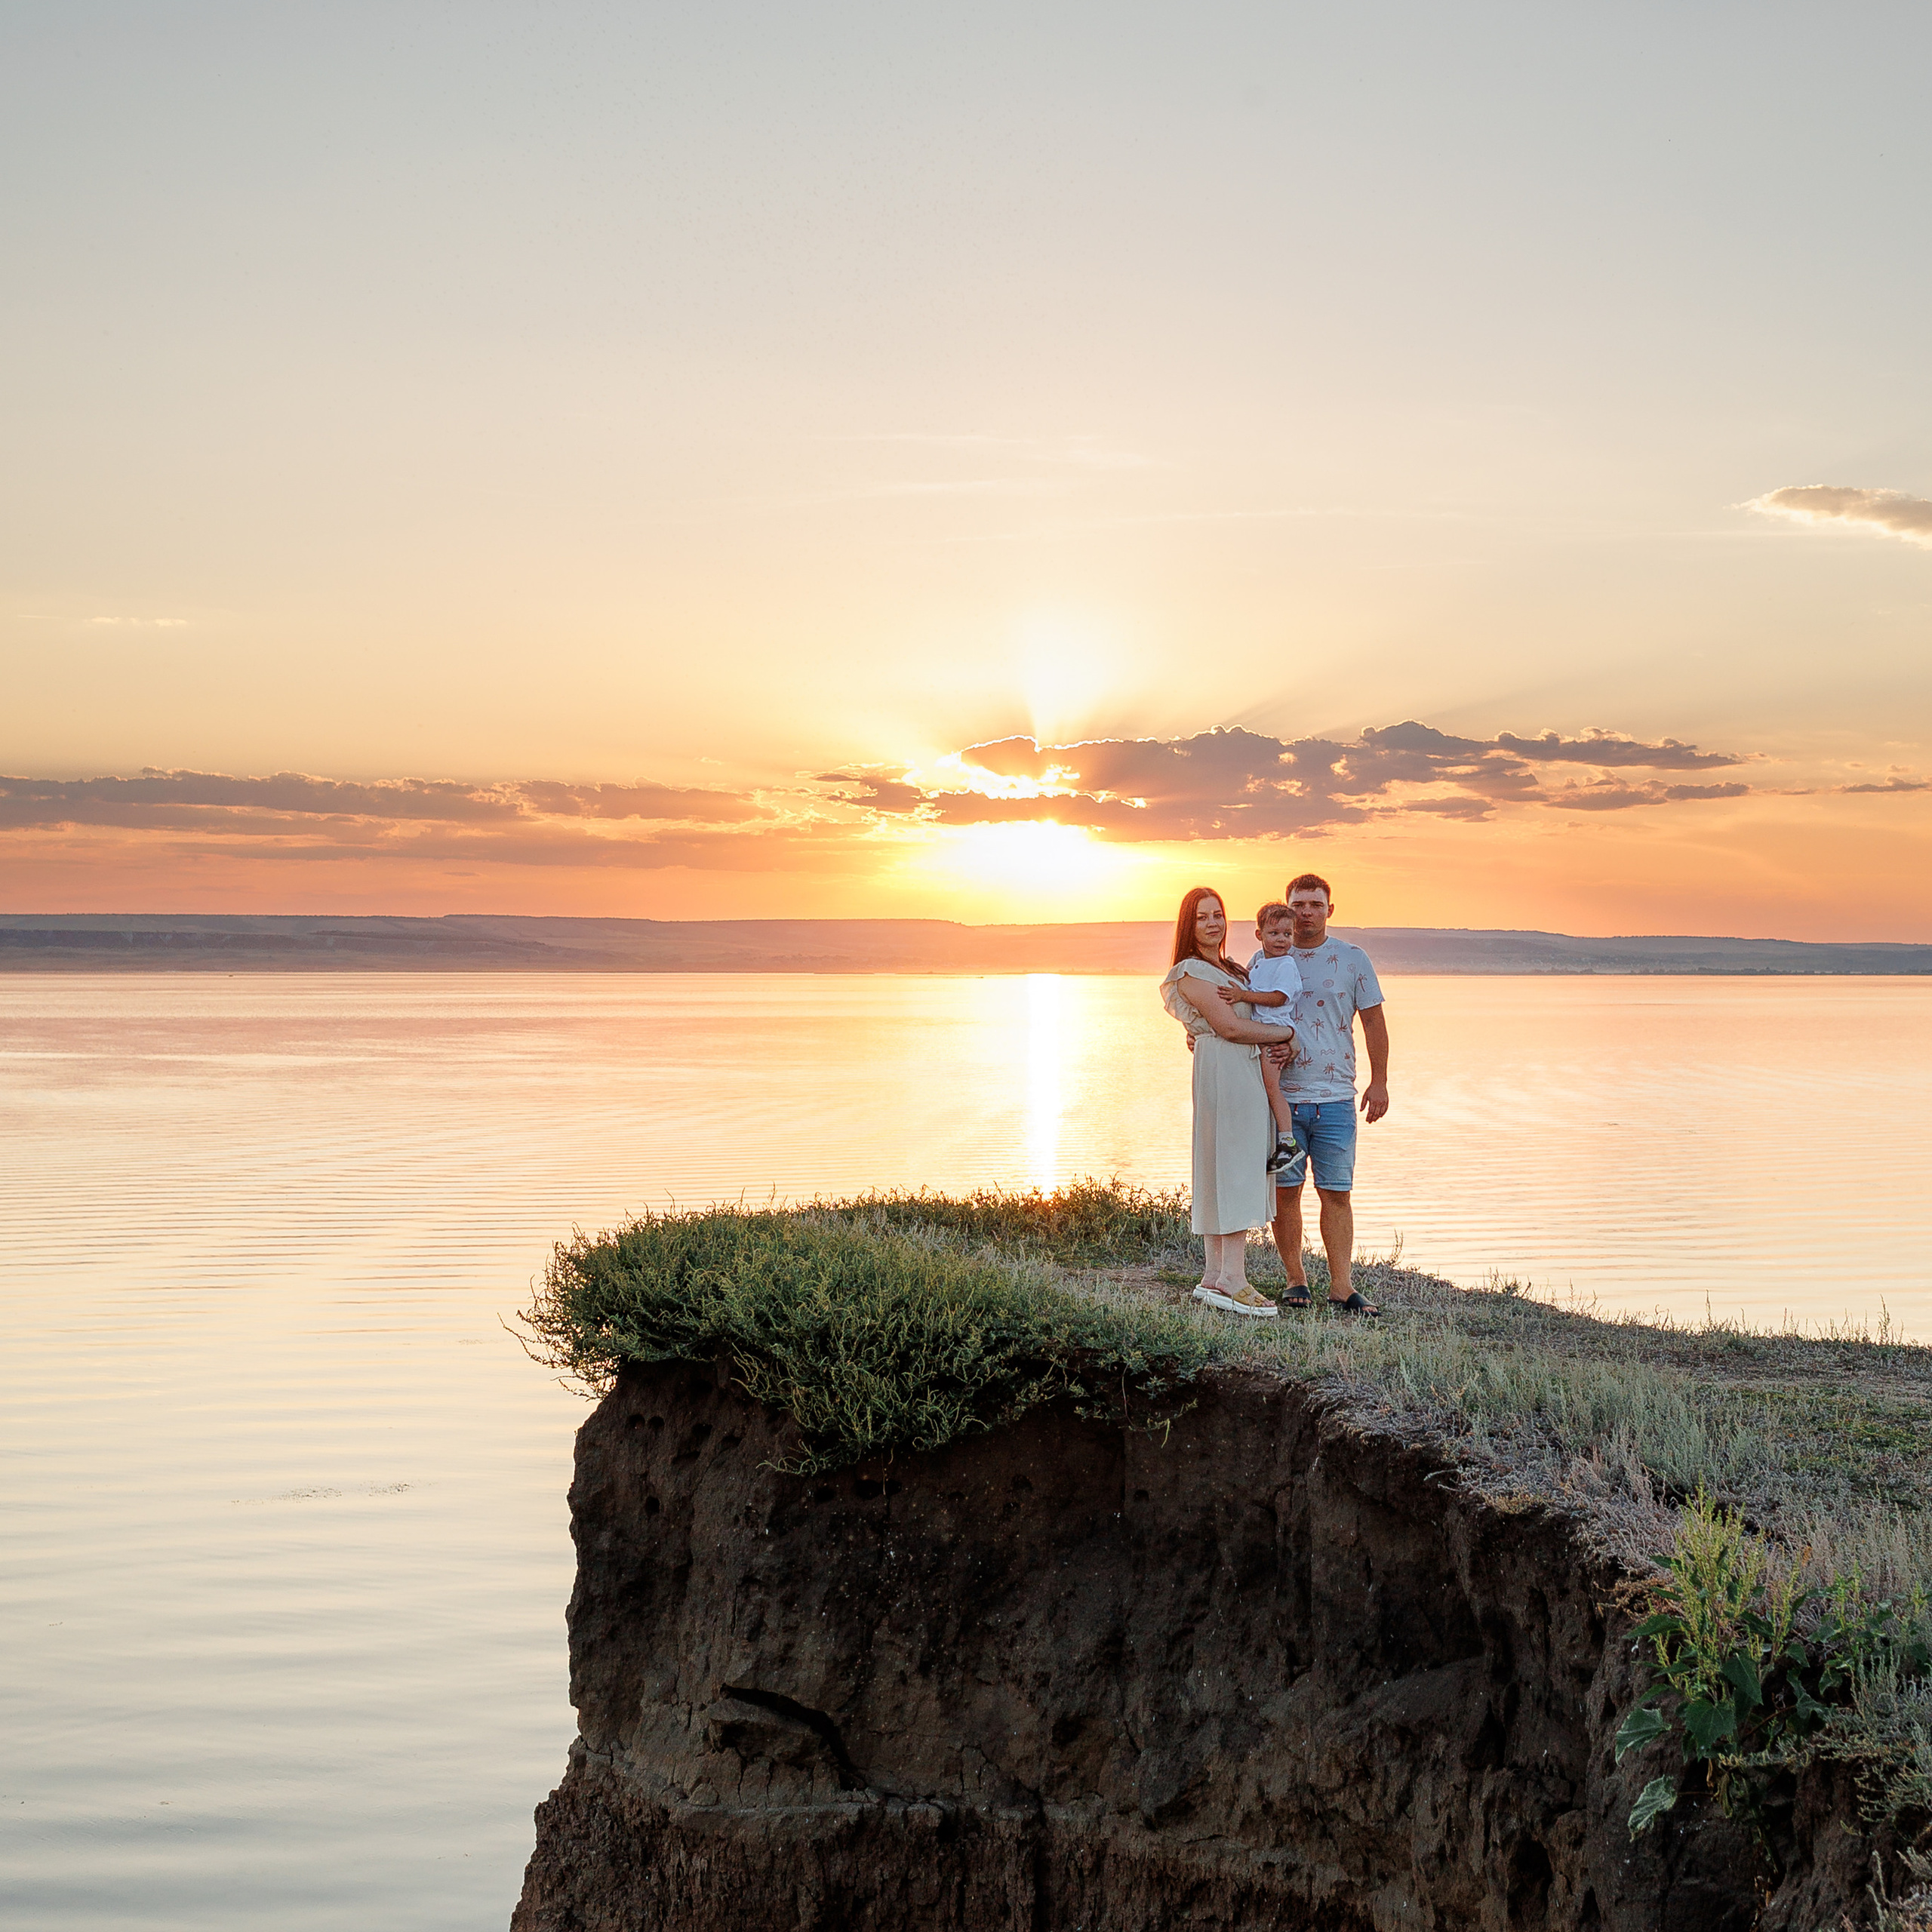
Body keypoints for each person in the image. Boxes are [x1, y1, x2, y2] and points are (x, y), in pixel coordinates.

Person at [1158, 887, 1294, 1319]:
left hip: (1238, 1069)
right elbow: (1231, 1028)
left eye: (1218, 914)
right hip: (1227, 1071)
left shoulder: (1231, 968)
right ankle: (1234, 1279)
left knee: (1225, 1163)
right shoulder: (1190, 972)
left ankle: (1215, 1276)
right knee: (1232, 1165)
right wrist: (1287, 1036)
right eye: (1202, 917)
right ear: (1189, 924)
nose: (1213, 923)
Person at [1260, 872, 1389, 1315]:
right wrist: (1198, 1035)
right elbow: (1235, 1009)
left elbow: (1373, 1022)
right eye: (1299, 904)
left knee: (1337, 1192)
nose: (1306, 912)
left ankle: (1341, 1285)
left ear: (1329, 910)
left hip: (1336, 1096)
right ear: (1287, 906)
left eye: (1316, 904)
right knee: (1286, 1191)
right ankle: (1296, 1279)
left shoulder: (1352, 959)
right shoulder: (1269, 957)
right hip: (1283, 1097)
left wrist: (1380, 1081)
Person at [1240, 901, 1305, 1176]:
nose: (1281, 940)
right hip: (1258, 1033)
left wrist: (1244, 996)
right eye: (1274, 934)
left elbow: (1278, 998)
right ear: (1260, 935)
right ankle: (1263, 1139)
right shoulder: (1258, 962)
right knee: (1257, 1088)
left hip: (1273, 1035)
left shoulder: (1287, 965)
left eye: (1287, 934)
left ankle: (1287, 1142)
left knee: (1271, 1087)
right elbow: (1249, 982)